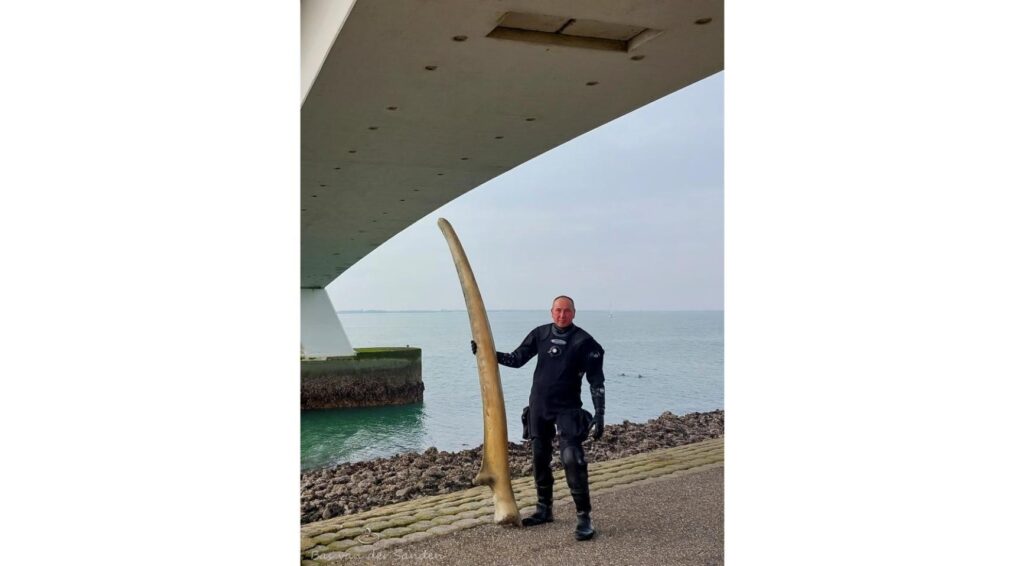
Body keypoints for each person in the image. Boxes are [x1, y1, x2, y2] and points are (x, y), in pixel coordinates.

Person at [471, 295, 605, 540]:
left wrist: (600, 413)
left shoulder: (585, 342)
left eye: (566, 311)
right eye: (558, 310)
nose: (562, 315)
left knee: (572, 457)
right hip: (539, 406)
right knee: (539, 458)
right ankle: (544, 509)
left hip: (568, 409)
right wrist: (486, 352)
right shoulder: (540, 334)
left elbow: (596, 381)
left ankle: (584, 517)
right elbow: (517, 359)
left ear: (573, 313)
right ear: (551, 312)